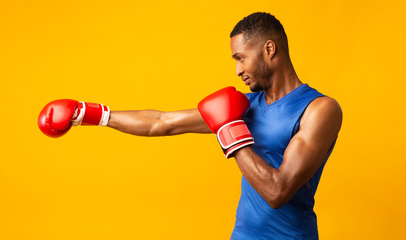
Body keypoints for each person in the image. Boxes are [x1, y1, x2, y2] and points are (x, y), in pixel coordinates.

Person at [38, 12, 342, 240]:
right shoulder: (246, 106)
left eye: (241, 58)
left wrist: (229, 130)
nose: (237, 70)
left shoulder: (319, 109)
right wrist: (89, 113)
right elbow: (162, 123)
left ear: (269, 50)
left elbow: (278, 191)